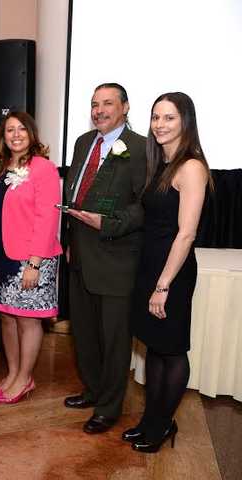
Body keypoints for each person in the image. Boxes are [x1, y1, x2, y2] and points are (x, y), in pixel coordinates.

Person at [124, 92, 211, 453]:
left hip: (171, 273)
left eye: (169, 118)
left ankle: (161, 426)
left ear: (185, 122)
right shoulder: (161, 163)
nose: (159, 124)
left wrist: (163, 285)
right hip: (151, 266)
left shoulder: (191, 167)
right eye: (155, 117)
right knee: (156, 349)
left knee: (171, 351)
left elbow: (186, 233)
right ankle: (152, 420)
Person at [63, 83, 147, 434]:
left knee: (114, 339)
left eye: (108, 104)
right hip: (80, 254)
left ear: (125, 107)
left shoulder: (143, 148)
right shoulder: (84, 142)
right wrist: (68, 240)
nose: (99, 110)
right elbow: (73, 192)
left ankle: (109, 407)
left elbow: (146, 205)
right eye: (95, 104)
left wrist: (109, 224)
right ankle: (94, 390)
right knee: (84, 333)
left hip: (116, 258)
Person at [0, 112, 62, 404]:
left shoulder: (44, 168)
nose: (15, 135)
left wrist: (34, 263)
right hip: (1, 255)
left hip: (30, 258)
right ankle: (13, 372)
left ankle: (25, 377)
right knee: (6, 316)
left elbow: (47, 218)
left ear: (31, 133)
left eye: (21, 129)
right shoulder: (0, 168)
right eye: (9, 130)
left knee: (27, 320)